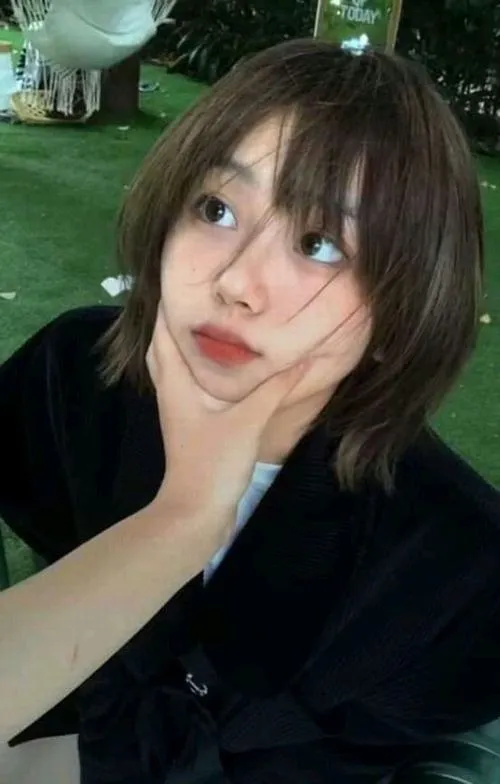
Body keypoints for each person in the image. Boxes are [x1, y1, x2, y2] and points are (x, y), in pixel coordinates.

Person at [1, 37, 500, 784]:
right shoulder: (71, 378)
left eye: (319, 243)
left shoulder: (457, 566)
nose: (237, 282)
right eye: (216, 209)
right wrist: (184, 518)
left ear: (404, 306)